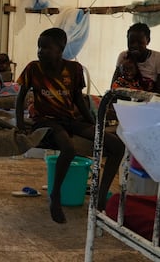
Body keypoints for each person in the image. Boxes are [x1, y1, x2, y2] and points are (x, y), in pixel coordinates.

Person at [14, 28, 124, 224]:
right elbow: (21, 96)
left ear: (61, 49)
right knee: (68, 148)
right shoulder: (33, 68)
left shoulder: (74, 70)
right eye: (39, 47)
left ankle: (100, 195)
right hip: (45, 119)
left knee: (117, 146)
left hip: (70, 119)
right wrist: (21, 124)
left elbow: (78, 100)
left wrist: (94, 123)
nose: (40, 51)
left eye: (46, 47)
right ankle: (55, 195)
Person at [111, 23, 160, 92]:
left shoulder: (157, 58)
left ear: (148, 41)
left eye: (140, 43)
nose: (135, 46)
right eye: (131, 42)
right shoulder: (123, 56)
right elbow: (113, 86)